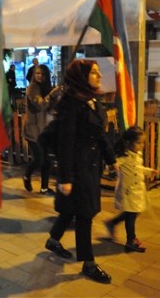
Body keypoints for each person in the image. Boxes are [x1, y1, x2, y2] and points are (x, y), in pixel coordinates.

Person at [46, 59, 117, 284]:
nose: (99, 76)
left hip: (92, 164)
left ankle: (53, 240)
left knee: (71, 209)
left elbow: (99, 133)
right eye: (94, 73)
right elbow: (65, 143)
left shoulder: (91, 99)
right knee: (84, 214)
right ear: (81, 76)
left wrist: (111, 159)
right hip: (77, 167)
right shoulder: (70, 104)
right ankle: (89, 263)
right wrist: (65, 178)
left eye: (98, 72)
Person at [104, 126, 160, 253]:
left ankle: (112, 223)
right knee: (132, 215)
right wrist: (113, 167)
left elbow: (138, 168)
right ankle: (131, 240)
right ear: (128, 142)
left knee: (134, 212)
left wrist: (149, 171)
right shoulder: (124, 156)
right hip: (128, 190)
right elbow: (113, 163)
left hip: (137, 189)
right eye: (138, 142)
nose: (141, 146)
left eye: (143, 143)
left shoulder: (137, 154)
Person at [23, 65, 61, 195]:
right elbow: (40, 105)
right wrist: (51, 95)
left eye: (43, 74)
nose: (40, 76)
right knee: (39, 159)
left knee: (48, 160)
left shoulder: (46, 88)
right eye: (38, 73)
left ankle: (44, 187)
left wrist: (56, 98)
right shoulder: (32, 88)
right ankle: (27, 175)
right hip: (33, 130)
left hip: (45, 129)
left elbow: (50, 108)